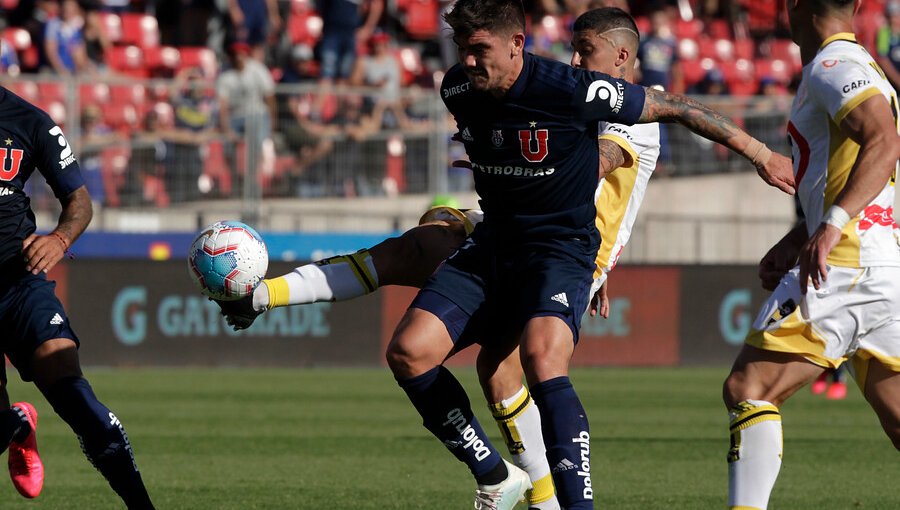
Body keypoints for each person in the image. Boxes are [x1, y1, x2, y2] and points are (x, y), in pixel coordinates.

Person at [721, 1, 900, 509]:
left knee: (749, 387)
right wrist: (801, 235)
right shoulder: (864, 65)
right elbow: (852, 169)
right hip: (882, 262)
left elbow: (884, 142)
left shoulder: (832, 65)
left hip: (844, 264)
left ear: (795, 7)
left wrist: (831, 227)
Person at [0, 86, 156, 507]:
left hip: (19, 281)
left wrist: (59, 238)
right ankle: (16, 425)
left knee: (73, 389)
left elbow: (79, 201)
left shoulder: (29, 121)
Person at [875, 0, 900, 91]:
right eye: (890, 16)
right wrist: (897, 80)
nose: (893, 20)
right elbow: (883, 59)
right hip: (892, 82)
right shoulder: (884, 33)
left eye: (896, 16)